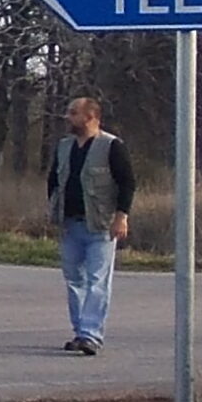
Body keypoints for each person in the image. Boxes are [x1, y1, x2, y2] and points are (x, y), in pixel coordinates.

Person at [48, 95, 134, 357]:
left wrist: (122, 217)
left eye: (73, 113)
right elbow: (53, 180)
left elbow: (127, 182)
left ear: (90, 117)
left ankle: (91, 335)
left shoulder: (111, 146)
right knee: (74, 279)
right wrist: (54, 213)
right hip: (70, 224)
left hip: (101, 225)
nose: (68, 117)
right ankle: (79, 331)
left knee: (98, 280)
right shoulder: (64, 146)